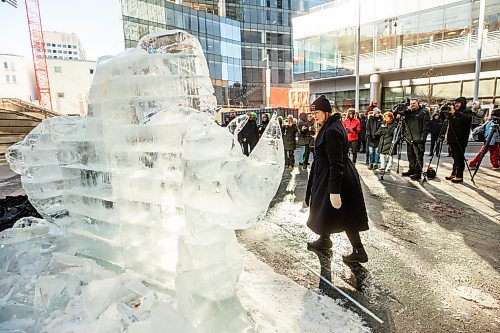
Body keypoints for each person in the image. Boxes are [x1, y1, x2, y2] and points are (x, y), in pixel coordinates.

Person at [305, 95, 369, 263]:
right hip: (327, 175)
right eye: (313, 113)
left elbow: (336, 162)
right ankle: (324, 239)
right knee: (325, 209)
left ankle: (359, 251)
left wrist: (334, 190)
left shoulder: (332, 130)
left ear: (326, 112)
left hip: (335, 177)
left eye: (317, 112)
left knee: (345, 214)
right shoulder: (329, 125)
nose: (314, 116)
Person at [401, 98, 430, 181]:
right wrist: (404, 108)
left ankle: (417, 173)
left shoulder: (424, 112)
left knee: (418, 156)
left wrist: (423, 138)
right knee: (410, 156)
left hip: (419, 138)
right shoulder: (408, 112)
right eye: (411, 103)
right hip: (409, 138)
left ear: (418, 103)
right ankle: (411, 170)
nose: (412, 104)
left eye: (414, 103)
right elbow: (397, 114)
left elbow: (426, 126)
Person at [444, 97, 472, 183]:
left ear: (462, 103)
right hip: (452, 138)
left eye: (458, 103)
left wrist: (455, 112)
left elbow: (467, 119)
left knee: (459, 158)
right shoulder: (453, 112)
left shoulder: (467, 111)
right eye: (455, 103)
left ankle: (459, 175)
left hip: (460, 139)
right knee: (454, 157)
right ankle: (454, 173)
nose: (456, 104)